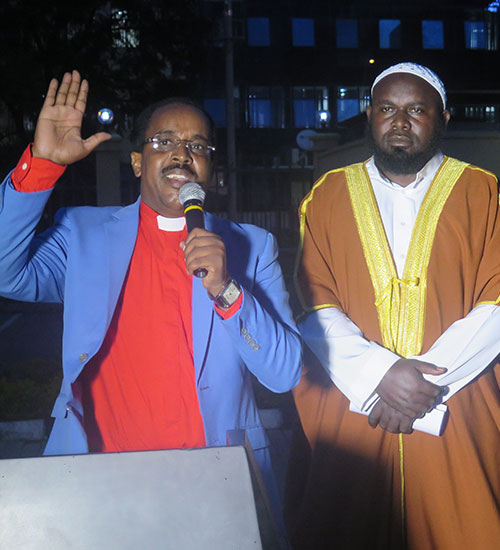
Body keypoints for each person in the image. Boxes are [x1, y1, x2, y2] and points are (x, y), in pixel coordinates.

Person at [0, 71, 302, 524]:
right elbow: (6, 270)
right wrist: (42, 165)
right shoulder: (82, 234)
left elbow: (285, 373)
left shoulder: (252, 247)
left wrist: (227, 290)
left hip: (215, 480)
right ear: (138, 161)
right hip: (99, 477)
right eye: (165, 141)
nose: (183, 153)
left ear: (210, 170)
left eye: (198, 145)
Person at [285, 62, 500, 550]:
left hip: (458, 405)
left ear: (443, 117)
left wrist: (422, 388)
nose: (399, 121)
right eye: (387, 109)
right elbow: (311, 295)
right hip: (355, 405)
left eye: (415, 110)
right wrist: (381, 375)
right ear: (369, 115)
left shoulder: (481, 190)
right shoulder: (327, 195)